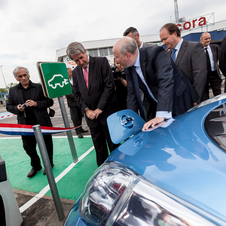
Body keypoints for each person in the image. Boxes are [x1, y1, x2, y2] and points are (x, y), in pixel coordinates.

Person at [66, 42, 118, 166]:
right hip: (91, 118)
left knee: (114, 146)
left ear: (85, 51)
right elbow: (77, 94)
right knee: (99, 148)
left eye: (81, 58)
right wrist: (86, 110)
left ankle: (119, 170)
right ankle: (102, 171)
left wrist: (100, 108)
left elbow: (109, 86)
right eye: (76, 61)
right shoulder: (76, 72)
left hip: (107, 114)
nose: (80, 62)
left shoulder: (101, 62)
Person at [113, 37, 174, 131]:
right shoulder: (128, 67)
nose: (115, 61)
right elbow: (131, 94)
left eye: (116, 57)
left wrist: (161, 114)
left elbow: (165, 82)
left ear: (127, 55)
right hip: (157, 106)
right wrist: (130, 122)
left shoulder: (156, 53)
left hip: (176, 103)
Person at [6, 66, 54, 178]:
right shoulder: (13, 90)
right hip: (25, 125)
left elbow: (50, 101)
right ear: (16, 78)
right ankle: (36, 166)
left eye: (25, 75)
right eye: (20, 76)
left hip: (42, 122)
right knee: (28, 147)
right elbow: (9, 106)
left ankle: (49, 163)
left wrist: (36, 103)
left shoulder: (39, 87)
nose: (23, 77)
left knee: (47, 145)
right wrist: (17, 109)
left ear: (29, 75)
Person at [160, 23, 207, 103]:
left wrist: (195, 100)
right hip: (178, 103)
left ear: (175, 34)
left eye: (165, 39)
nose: (163, 43)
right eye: (162, 40)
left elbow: (200, 76)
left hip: (194, 101)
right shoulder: (167, 54)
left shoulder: (194, 47)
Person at [65, 67, 88, 138]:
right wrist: (77, 98)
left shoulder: (75, 79)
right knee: (75, 118)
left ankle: (81, 129)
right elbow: (68, 94)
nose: (72, 73)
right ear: (67, 73)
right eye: (70, 72)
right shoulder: (65, 81)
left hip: (78, 102)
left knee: (80, 116)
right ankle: (78, 132)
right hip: (72, 103)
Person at [200, 32, 222, 99]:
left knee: (218, 94)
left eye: (209, 38)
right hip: (204, 76)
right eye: (206, 39)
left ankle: (220, 108)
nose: (208, 40)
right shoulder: (197, 50)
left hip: (215, 74)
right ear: (201, 40)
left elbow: (219, 59)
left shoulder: (215, 47)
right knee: (205, 95)